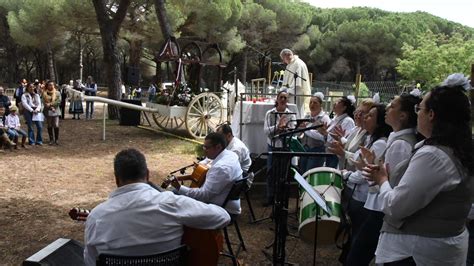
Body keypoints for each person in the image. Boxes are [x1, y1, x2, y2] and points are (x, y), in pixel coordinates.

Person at [364, 73, 473, 265]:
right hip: (439, 249)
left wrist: (382, 181)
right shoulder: (457, 149)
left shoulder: (433, 155)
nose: (417, 114)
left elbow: (396, 207)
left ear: (431, 115)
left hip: (416, 253)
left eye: (419, 108)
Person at [84, 148, 230, 266]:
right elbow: (223, 217)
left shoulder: (96, 216)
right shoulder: (171, 203)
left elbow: (90, 261)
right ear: (147, 175)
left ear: (116, 179)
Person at [345, 93, 421, 265]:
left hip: (381, 209)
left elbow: (391, 183)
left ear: (403, 115)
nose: (387, 108)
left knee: (357, 256)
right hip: (379, 205)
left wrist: (373, 172)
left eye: (392, 106)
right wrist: (370, 165)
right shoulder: (396, 140)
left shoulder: (400, 144)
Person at [171, 133, 243, 215]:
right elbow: (207, 162)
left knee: (175, 195)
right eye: (203, 146)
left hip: (222, 209)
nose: (204, 149)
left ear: (218, 147)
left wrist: (179, 187)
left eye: (207, 147)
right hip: (227, 201)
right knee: (176, 193)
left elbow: (204, 195)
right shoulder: (230, 155)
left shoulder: (221, 168)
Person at [263, 89, 296, 206]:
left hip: (284, 147)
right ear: (277, 99)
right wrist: (278, 126)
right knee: (271, 172)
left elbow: (294, 131)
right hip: (273, 146)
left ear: (287, 101)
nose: (282, 99)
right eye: (281, 97)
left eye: (285, 98)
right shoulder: (270, 113)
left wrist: (285, 129)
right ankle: (270, 197)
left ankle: (280, 198)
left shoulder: (290, 114)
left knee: (283, 174)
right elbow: (266, 131)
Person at [328, 99, 374, 171]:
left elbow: (360, 158)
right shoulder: (356, 130)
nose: (358, 115)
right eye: (358, 111)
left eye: (363, 113)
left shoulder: (369, 135)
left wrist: (344, 152)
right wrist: (340, 141)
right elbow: (347, 147)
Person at [298, 92, 331, 173]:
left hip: (316, 151)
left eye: (315, 103)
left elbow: (324, 137)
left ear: (320, 105)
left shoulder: (325, 118)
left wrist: (306, 130)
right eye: (311, 102)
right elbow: (301, 132)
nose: (312, 104)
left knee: (310, 174)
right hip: (304, 150)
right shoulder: (307, 117)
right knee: (302, 173)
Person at [322, 96, 356, 168]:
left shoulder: (348, 121)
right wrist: (324, 132)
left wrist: (326, 133)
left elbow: (346, 139)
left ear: (344, 108)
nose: (335, 104)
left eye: (338, 102)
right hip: (330, 153)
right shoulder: (335, 119)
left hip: (337, 155)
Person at [280, 48, 311, 118]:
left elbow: (298, 83)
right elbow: (286, 81)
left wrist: (288, 92)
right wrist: (282, 90)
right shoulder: (290, 64)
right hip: (290, 94)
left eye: (283, 59)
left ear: (287, 56)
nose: (283, 61)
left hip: (296, 95)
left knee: (297, 113)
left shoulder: (298, 64)